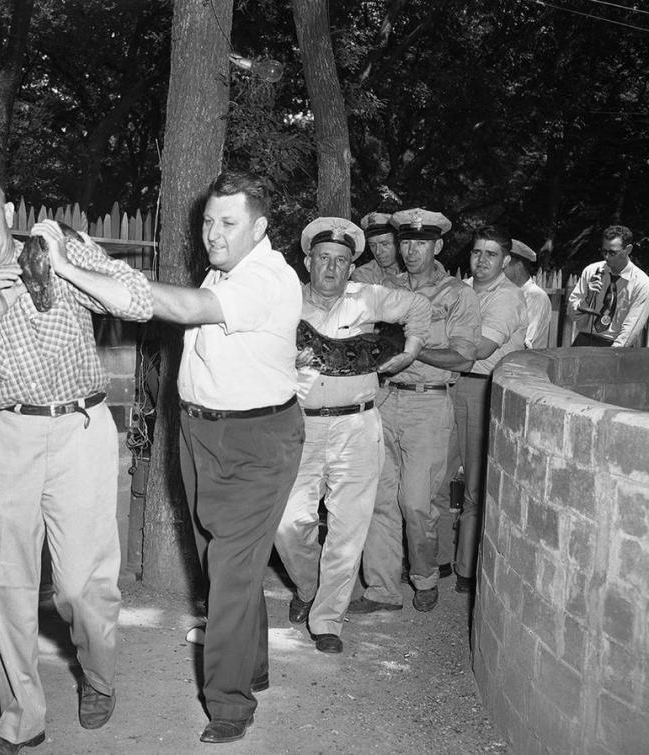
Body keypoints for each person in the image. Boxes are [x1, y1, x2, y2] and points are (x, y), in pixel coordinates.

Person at [0, 167, 153, 755]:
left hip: (81, 427)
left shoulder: (54, 249)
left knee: (81, 587)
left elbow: (139, 300)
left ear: (8, 212)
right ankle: (21, 719)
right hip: (13, 434)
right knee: (5, 584)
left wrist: (70, 263)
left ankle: (98, 679)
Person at [143, 170, 304, 744]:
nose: (212, 232)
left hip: (256, 441)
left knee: (230, 573)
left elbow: (187, 310)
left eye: (227, 223)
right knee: (224, 560)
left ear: (259, 227)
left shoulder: (264, 277)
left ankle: (229, 703)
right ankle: (252, 666)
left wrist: (119, 286)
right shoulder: (226, 264)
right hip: (198, 432)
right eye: (208, 220)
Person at [274, 217, 430, 655]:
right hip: (300, 425)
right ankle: (308, 586)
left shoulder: (368, 297)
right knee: (287, 523)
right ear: (308, 261)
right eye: (323, 258)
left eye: (342, 261)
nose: (332, 268)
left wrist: (410, 351)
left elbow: (419, 308)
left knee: (349, 526)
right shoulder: (284, 302)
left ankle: (328, 619)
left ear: (350, 266)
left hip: (358, 426)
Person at [350, 208, 480, 615]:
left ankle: (424, 576)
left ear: (437, 246)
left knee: (417, 502)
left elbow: (463, 358)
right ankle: (383, 588)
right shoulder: (386, 287)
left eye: (420, 243)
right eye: (406, 242)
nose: (410, 250)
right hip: (384, 399)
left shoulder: (458, 294)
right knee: (378, 498)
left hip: (429, 402)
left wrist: (414, 349)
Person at [433, 226, 527, 593]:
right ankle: (439, 557)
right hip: (450, 384)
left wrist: (425, 347)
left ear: (506, 260)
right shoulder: (462, 290)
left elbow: (480, 349)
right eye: (476, 252)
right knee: (437, 478)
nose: (482, 260)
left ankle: (467, 569)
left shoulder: (507, 298)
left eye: (491, 254)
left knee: (473, 485)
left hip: (479, 388)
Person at [568, 224, 649, 347]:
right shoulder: (591, 271)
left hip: (614, 346)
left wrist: (612, 356)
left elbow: (630, 331)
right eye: (604, 251)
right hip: (583, 340)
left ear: (628, 250)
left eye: (612, 253)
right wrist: (588, 299)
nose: (606, 257)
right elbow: (572, 314)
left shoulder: (641, 283)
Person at [504, 239, 552, 348]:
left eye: (503, 266)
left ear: (519, 266)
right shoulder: (504, 292)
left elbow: (523, 343)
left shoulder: (536, 297)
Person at [351, 212, 403, 285]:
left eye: (384, 244)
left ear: (398, 244)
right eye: (372, 245)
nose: (378, 252)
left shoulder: (414, 268)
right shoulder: (363, 274)